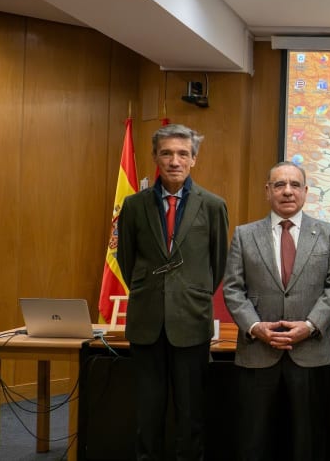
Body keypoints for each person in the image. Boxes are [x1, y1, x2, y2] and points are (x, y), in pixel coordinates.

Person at [117, 124, 229, 460]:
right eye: (166, 153)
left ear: (194, 159)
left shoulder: (212, 205)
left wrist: (188, 296)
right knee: (147, 414)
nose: (174, 160)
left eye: (183, 153)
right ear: (156, 157)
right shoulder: (134, 205)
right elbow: (126, 260)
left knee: (190, 414)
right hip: (146, 323)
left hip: (191, 323)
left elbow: (217, 264)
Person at [222, 162, 330, 460]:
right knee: (255, 442)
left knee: (308, 443)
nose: (287, 191)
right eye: (279, 185)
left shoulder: (328, 233)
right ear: (268, 191)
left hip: (311, 351)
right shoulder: (244, 234)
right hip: (258, 353)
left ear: (305, 191)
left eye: (294, 185)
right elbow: (232, 289)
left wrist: (310, 325)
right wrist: (255, 327)